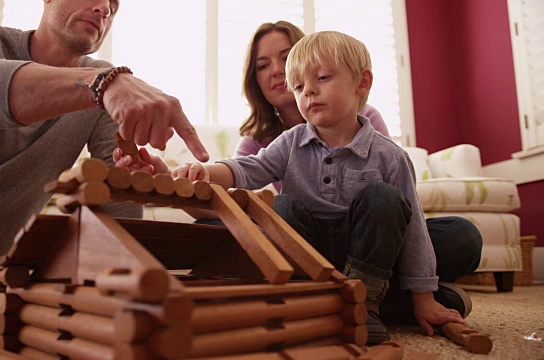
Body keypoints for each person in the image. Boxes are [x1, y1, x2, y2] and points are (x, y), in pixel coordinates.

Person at [164, 30, 470, 345]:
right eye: (298, 86)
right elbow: (248, 168)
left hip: (368, 254)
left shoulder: (390, 156)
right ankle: (308, 303)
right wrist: (206, 171)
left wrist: (425, 299)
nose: (308, 91)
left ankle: (363, 305)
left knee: (387, 200)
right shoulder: (290, 141)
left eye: (322, 78)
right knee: (281, 206)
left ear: (362, 83)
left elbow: (414, 228)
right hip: (310, 253)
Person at [0, 0, 208, 312]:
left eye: (114, 5)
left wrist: (136, 184)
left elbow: (116, 206)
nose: (104, 8)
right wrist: (100, 84)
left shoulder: (103, 91)